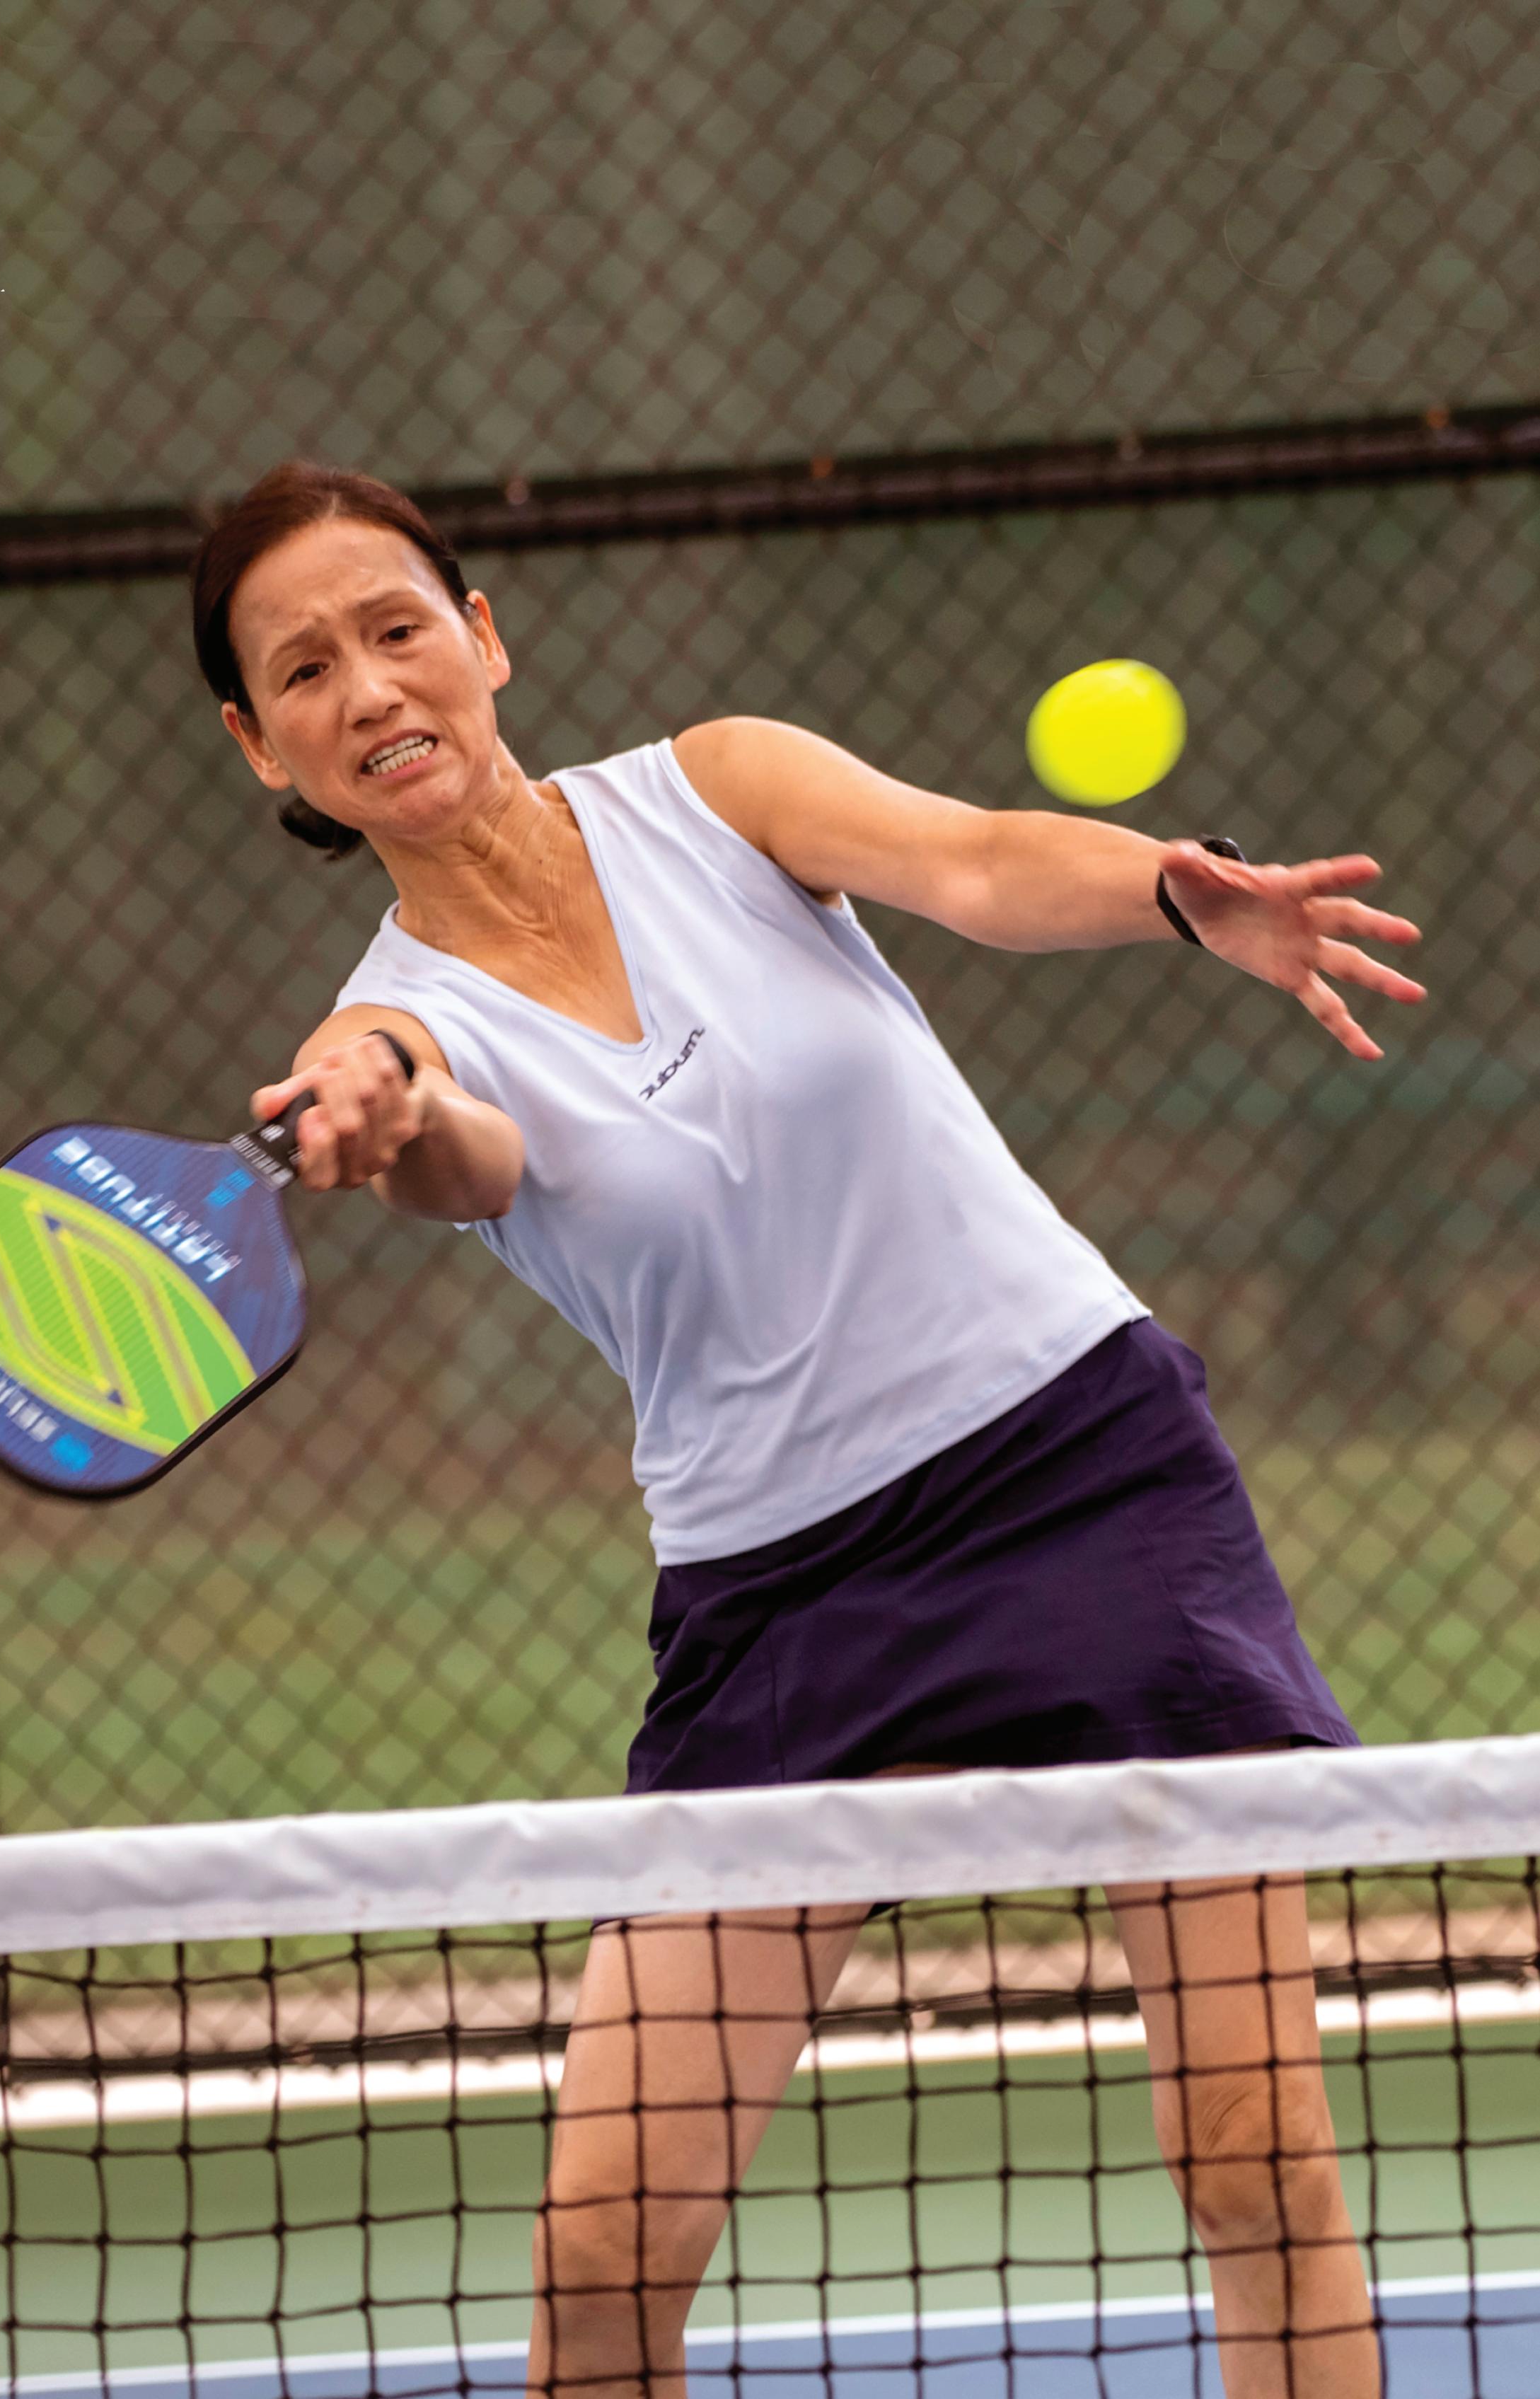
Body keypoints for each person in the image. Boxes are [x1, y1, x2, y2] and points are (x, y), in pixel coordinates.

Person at [192, 461, 1425, 2399]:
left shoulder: (718, 788)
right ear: (263, 746)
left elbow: (977, 862)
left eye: (396, 627)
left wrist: (1175, 892)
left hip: (1078, 1470)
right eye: (305, 669)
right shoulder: (395, 1027)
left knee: (1252, 2155)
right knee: (604, 2248)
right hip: (783, 1594)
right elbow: (451, 1143)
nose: (370, 688)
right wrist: (380, 1103)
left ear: (483, 638)